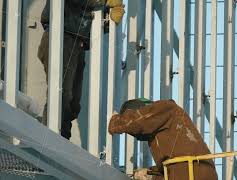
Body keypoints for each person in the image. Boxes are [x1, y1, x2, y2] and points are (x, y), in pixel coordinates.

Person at [37, 0, 124, 139]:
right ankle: (48, 140)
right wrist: (105, 2)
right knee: (61, 94)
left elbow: (90, 20)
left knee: (73, 103)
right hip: (60, 36)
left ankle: (61, 140)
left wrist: (108, 21)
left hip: (77, 43)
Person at [108, 99, 218, 180]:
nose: (138, 136)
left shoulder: (166, 107)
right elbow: (172, 169)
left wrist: (116, 121)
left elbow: (139, 121)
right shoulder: (169, 133)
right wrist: (150, 174)